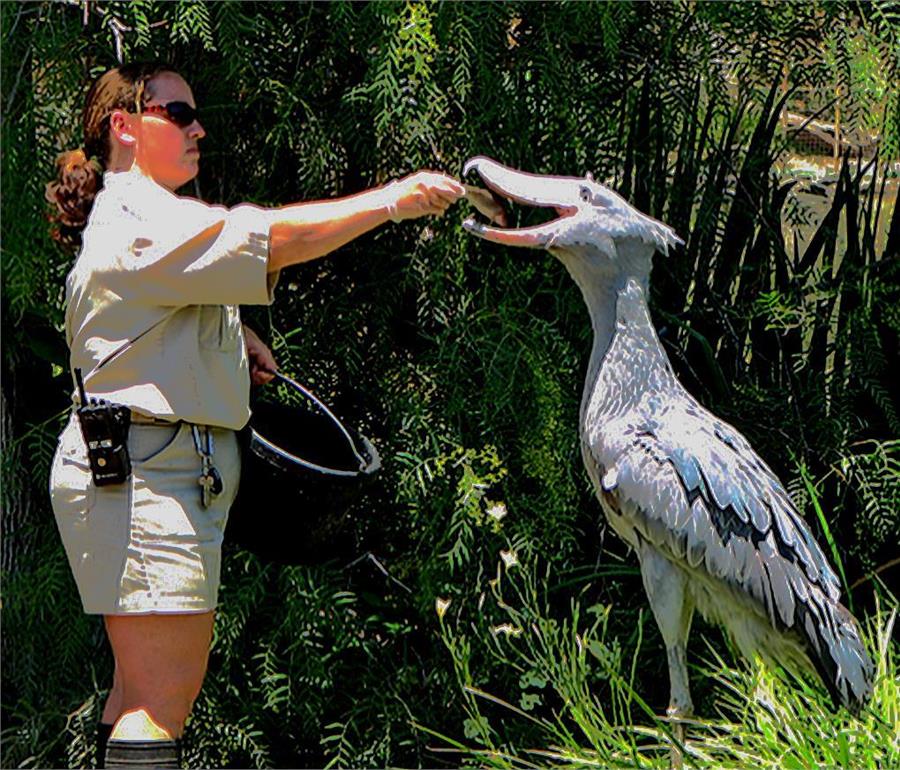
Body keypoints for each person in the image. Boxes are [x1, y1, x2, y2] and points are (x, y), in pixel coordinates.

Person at [45, 61, 500, 769]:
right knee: (157, 707)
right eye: (178, 113)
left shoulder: (139, 218)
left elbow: (141, 322)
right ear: (124, 128)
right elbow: (274, 238)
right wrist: (391, 201)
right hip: (147, 478)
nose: (198, 128)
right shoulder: (141, 217)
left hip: (129, 471)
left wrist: (228, 339)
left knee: (135, 691)